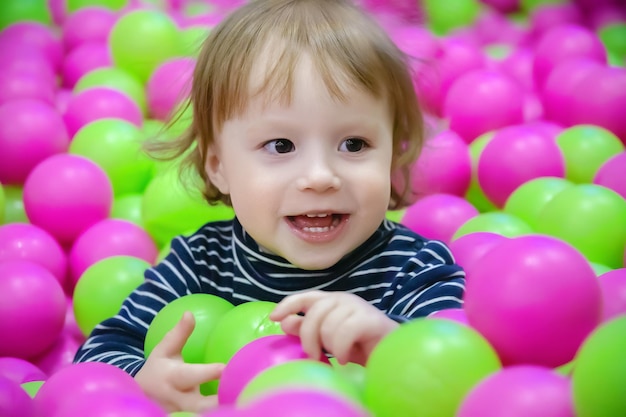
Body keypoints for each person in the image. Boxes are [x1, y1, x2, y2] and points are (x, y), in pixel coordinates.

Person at [74, 0, 465, 413]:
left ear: (390, 155)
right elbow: (101, 351)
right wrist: (143, 380)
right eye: (281, 145)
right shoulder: (199, 262)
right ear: (219, 167)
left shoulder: (414, 267)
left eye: (354, 144)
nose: (319, 176)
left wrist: (388, 343)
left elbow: (459, 368)